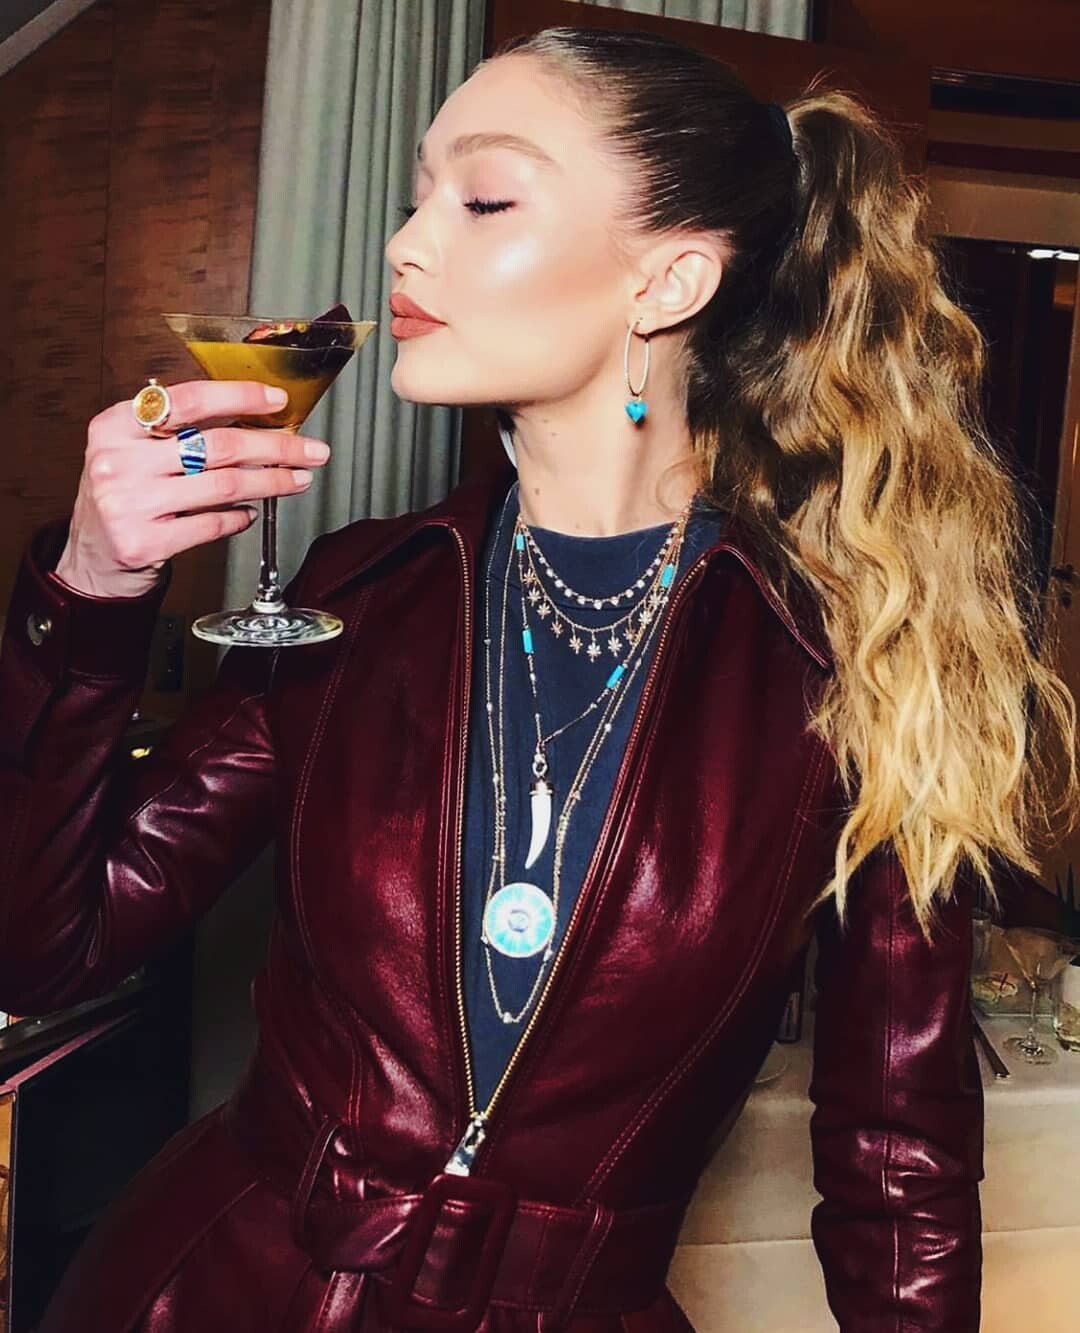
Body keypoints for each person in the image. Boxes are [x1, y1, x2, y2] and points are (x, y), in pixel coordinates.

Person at [0, 23, 1075, 1333]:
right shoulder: (358, 591)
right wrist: (90, 590)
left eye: (484, 197)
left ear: (668, 281)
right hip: (218, 1290)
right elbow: (45, 948)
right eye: (416, 195)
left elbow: (900, 1169)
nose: (405, 245)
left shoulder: (856, 667)